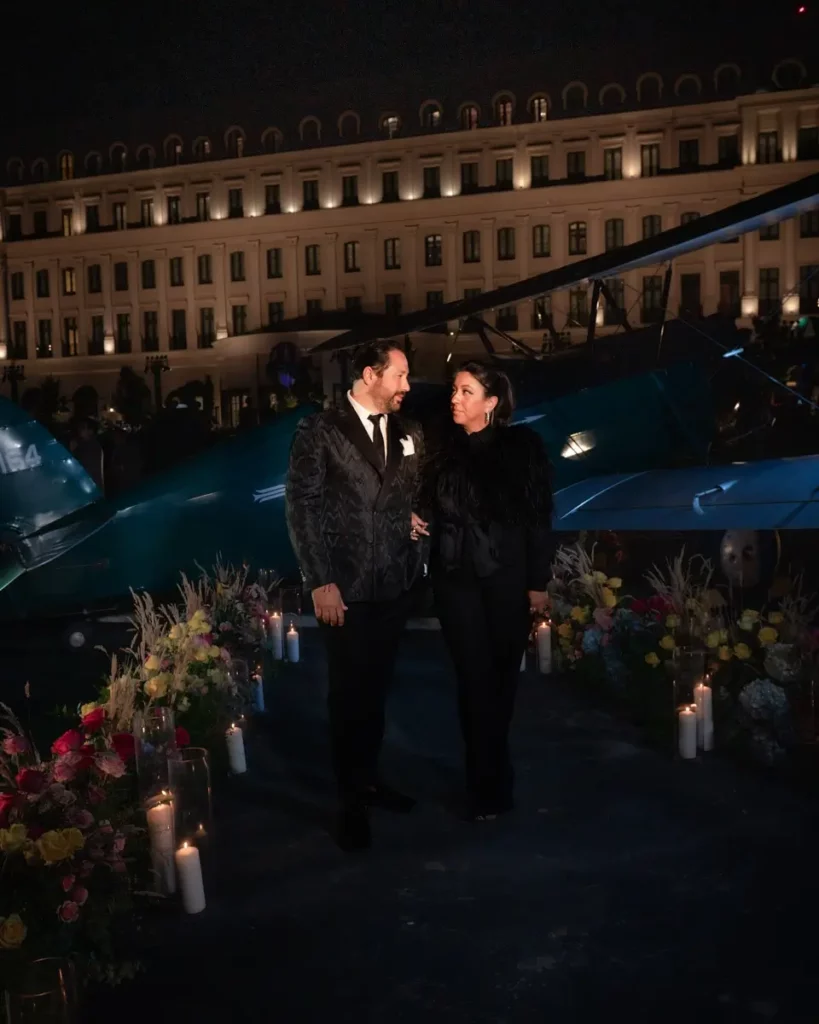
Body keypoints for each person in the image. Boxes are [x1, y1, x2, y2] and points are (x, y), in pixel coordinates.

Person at [285, 340, 427, 851]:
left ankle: (369, 780)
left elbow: (405, 494)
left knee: (377, 691)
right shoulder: (320, 430)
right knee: (348, 696)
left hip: (394, 584)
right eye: (401, 376)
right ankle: (350, 803)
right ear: (371, 375)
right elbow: (302, 508)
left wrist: (407, 518)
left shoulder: (411, 432)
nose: (407, 387)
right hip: (341, 590)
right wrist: (319, 581)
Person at [423, 361, 553, 821]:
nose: (455, 398)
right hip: (456, 582)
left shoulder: (524, 449)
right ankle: (487, 788)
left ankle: (494, 776)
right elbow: (426, 505)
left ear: (491, 402)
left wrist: (538, 583)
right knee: (474, 683)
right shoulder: (439, 451)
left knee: (501, 684)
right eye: (454, 389)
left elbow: (539, 519)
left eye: (466, 391)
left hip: (507, 582)